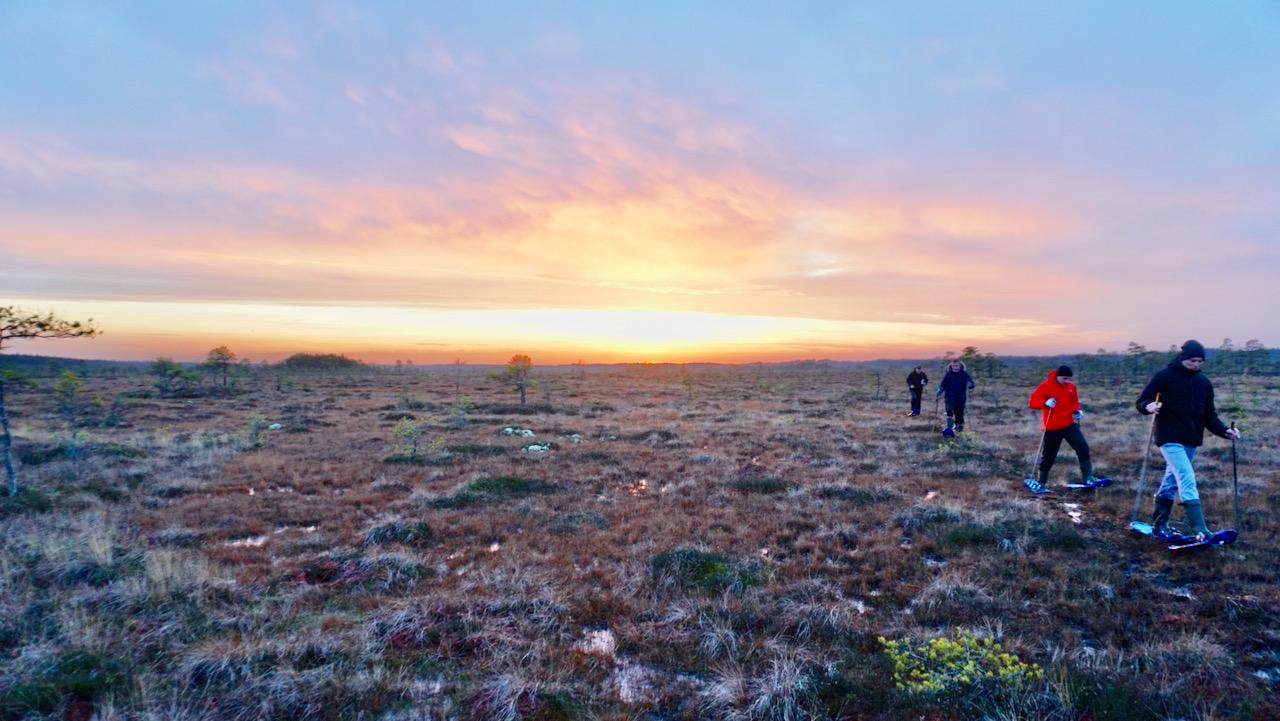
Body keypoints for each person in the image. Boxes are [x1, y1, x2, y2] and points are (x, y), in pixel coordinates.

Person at [1136, 339, 1242, 540]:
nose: (1196, 365)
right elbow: (1142, 400)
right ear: (1183, 358)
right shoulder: (1165, 376)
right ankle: (1201, 530)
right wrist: (1149, 406)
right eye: (1193, 361)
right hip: (1169, 437)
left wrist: (1225, 432)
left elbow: (1209, 416)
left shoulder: (1204, 383)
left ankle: (1159, 525)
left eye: (1200, 361)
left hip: (1191, 439)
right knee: (1186, 476)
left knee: (1171, 481)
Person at [1026, 365, 1101, 493]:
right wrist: (1045, 403)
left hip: (1069, 424)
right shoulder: (1045, 386)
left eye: (1068, 379)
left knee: (1082, 446)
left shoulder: (1071, 387)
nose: (1067, 381)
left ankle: (1088, 478)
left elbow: (1074, 402)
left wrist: (1077, 410)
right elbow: (1032, 402)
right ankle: (1041, 482)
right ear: (1058, 376)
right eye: (1064, 379)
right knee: (1049, 456)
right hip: (1052, 427)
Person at [936, 360, 975, 434]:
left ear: (960, 366)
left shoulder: (964, 374)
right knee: (949, 412)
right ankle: (950, 430)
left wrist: (970, 384)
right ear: (951, 366)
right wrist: (939, 391)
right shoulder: (948, 375)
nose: (955, 367)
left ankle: (959, 430)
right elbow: (943, 384)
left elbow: (972, 385)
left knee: (959, 414)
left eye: (956, 366)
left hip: (960, 398)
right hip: (949, 398)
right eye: (953, 366)